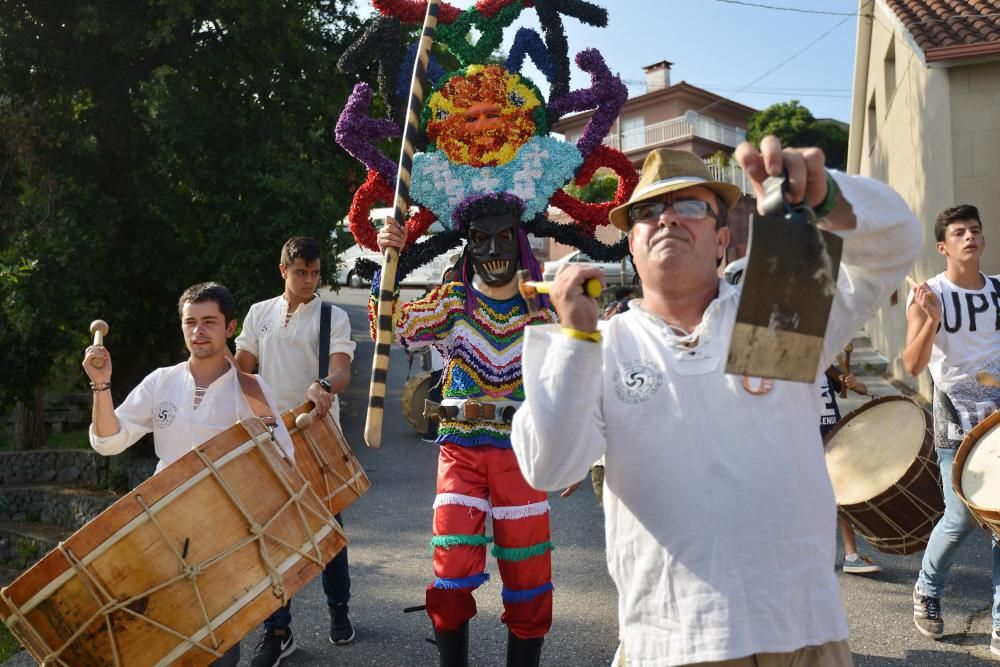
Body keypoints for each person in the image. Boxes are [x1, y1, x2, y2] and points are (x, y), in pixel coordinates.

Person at [511, 141, 921, 666]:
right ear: (630, 244)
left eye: (689, 206)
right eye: (647, 211)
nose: (667, 220)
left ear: (723, 239)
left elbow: (896, 242)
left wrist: (827, 198)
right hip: (672, 642)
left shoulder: (771, 317)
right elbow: (551, 465)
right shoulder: (603, 345)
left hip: (802, 629)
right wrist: (576, 338)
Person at [375, 192, 562, 667]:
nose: (495, 250)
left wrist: (578, 449)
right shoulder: (452, 301)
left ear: (519, 241)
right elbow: (392, 324)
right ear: (468, 246)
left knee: (528, 576)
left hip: (523, 452)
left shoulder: (540, 308)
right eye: (482, 240)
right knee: (452, 570)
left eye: (504, 237)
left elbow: (572, 380)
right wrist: (388, 259)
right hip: (460, 449)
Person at [83, 282, 297, 667]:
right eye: (191, 322)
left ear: (230, 327)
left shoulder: (251, 388)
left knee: (217, 639)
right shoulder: (161, 381)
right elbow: (109, 440)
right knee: (162, 634)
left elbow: (284, 458)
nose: (198, 331)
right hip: (163, 526)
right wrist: (102, 383)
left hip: (224, 532)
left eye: (209, 322)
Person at [234, 236, 357, 666]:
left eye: (315, 273)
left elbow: (341, 369)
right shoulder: (258, 313)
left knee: (329, 531)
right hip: (271, 435)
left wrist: (324, 386)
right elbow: (242, 367)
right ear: (283, 270)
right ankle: (277, 630)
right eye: (300, 272)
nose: (308, 280)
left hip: (317, 433)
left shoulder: (332, 316)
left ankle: (338, 607)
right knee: (273, 536)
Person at [724, 258, 881, 576]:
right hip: (800, 433)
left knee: (837, 491)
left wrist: (854, 383)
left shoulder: (820, 357)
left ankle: (850, 555)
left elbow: (849, 386)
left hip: (830, 432)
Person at [902, 204, 1000, 653]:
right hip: (956, 420)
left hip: (998, 419)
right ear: (943, 247)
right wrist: (932, 320)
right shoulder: (928, 294)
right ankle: (927, 589)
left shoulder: (999, 291)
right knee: (960, 518)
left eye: (974, 230)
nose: (969, 237)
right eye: (959, 232)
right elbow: (913, 363)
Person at [819, 365, 881, 575]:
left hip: (833, 438)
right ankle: (813, 555)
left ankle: (851, 556)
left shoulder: (826, 367)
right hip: (806, 439)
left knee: (840, 497)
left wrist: (855, 384)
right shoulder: (794, 369)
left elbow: (859, 389)